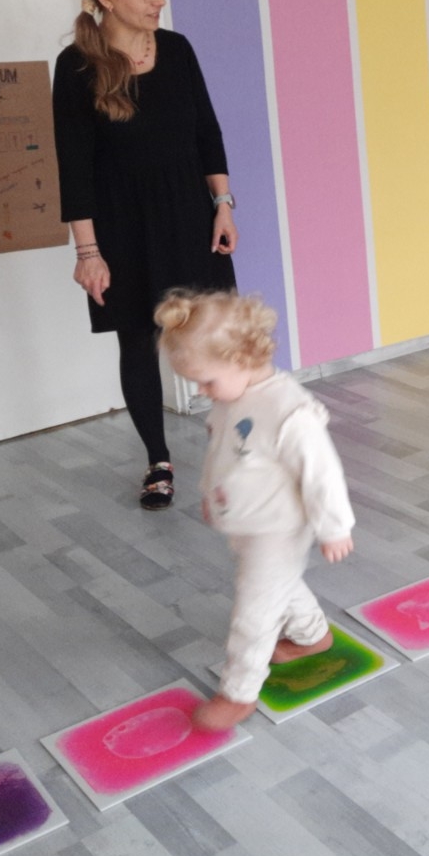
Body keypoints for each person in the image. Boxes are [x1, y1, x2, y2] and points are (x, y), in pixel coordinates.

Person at [52, 0, 238, 510]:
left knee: (218, 337)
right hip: (122, 226)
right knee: (138, 341)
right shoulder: (76, 66)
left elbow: (206, 131)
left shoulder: (177, 50)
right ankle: (158, 460)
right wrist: (88, 254)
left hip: (190, 214)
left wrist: (224, 203)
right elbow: (74, 168)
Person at [153, 290, 355, 730]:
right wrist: (210, 493)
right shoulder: (231, 395)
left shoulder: (290, 411)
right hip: (248, 520)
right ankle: (313, 635)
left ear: (242, 358)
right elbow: (223, 452)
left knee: (254, 612)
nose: (202, 392)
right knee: (278, 583)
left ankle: (238, 693)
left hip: (280, 526)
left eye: (206, 382)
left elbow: (323, 474)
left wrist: (335, 528)